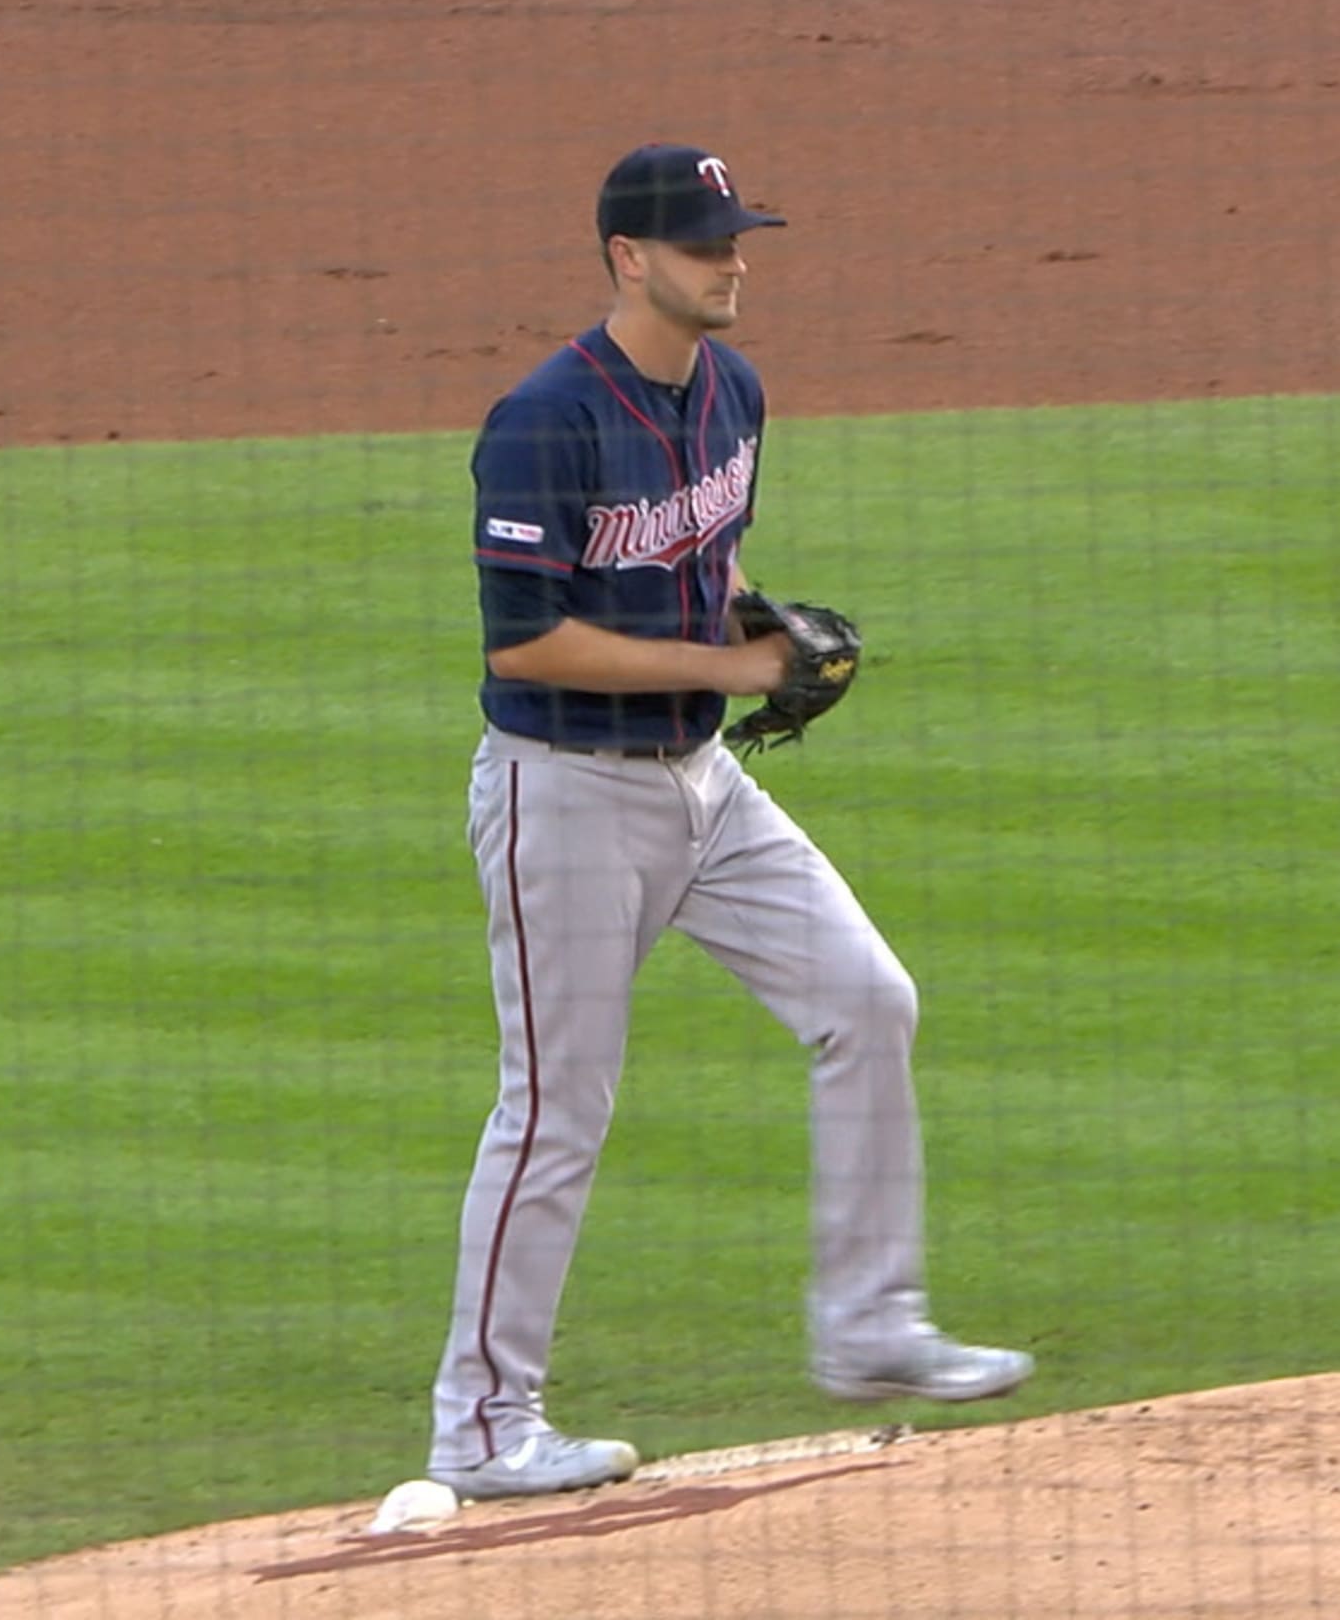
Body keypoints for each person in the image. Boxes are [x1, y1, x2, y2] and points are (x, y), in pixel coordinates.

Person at [427, 143, 1034, 1501]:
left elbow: (706, 555)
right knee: (555, 1110)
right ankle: (480, 1423)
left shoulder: (735, 392)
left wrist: (766, 620)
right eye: (703, 243)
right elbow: (527, 645)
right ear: (627, 257)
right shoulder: (542, 420)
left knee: (868, 998)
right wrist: (739, 669)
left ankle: (872, 1324)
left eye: (737, 236)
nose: (732, 259)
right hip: (564, 797)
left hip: (706, 787)